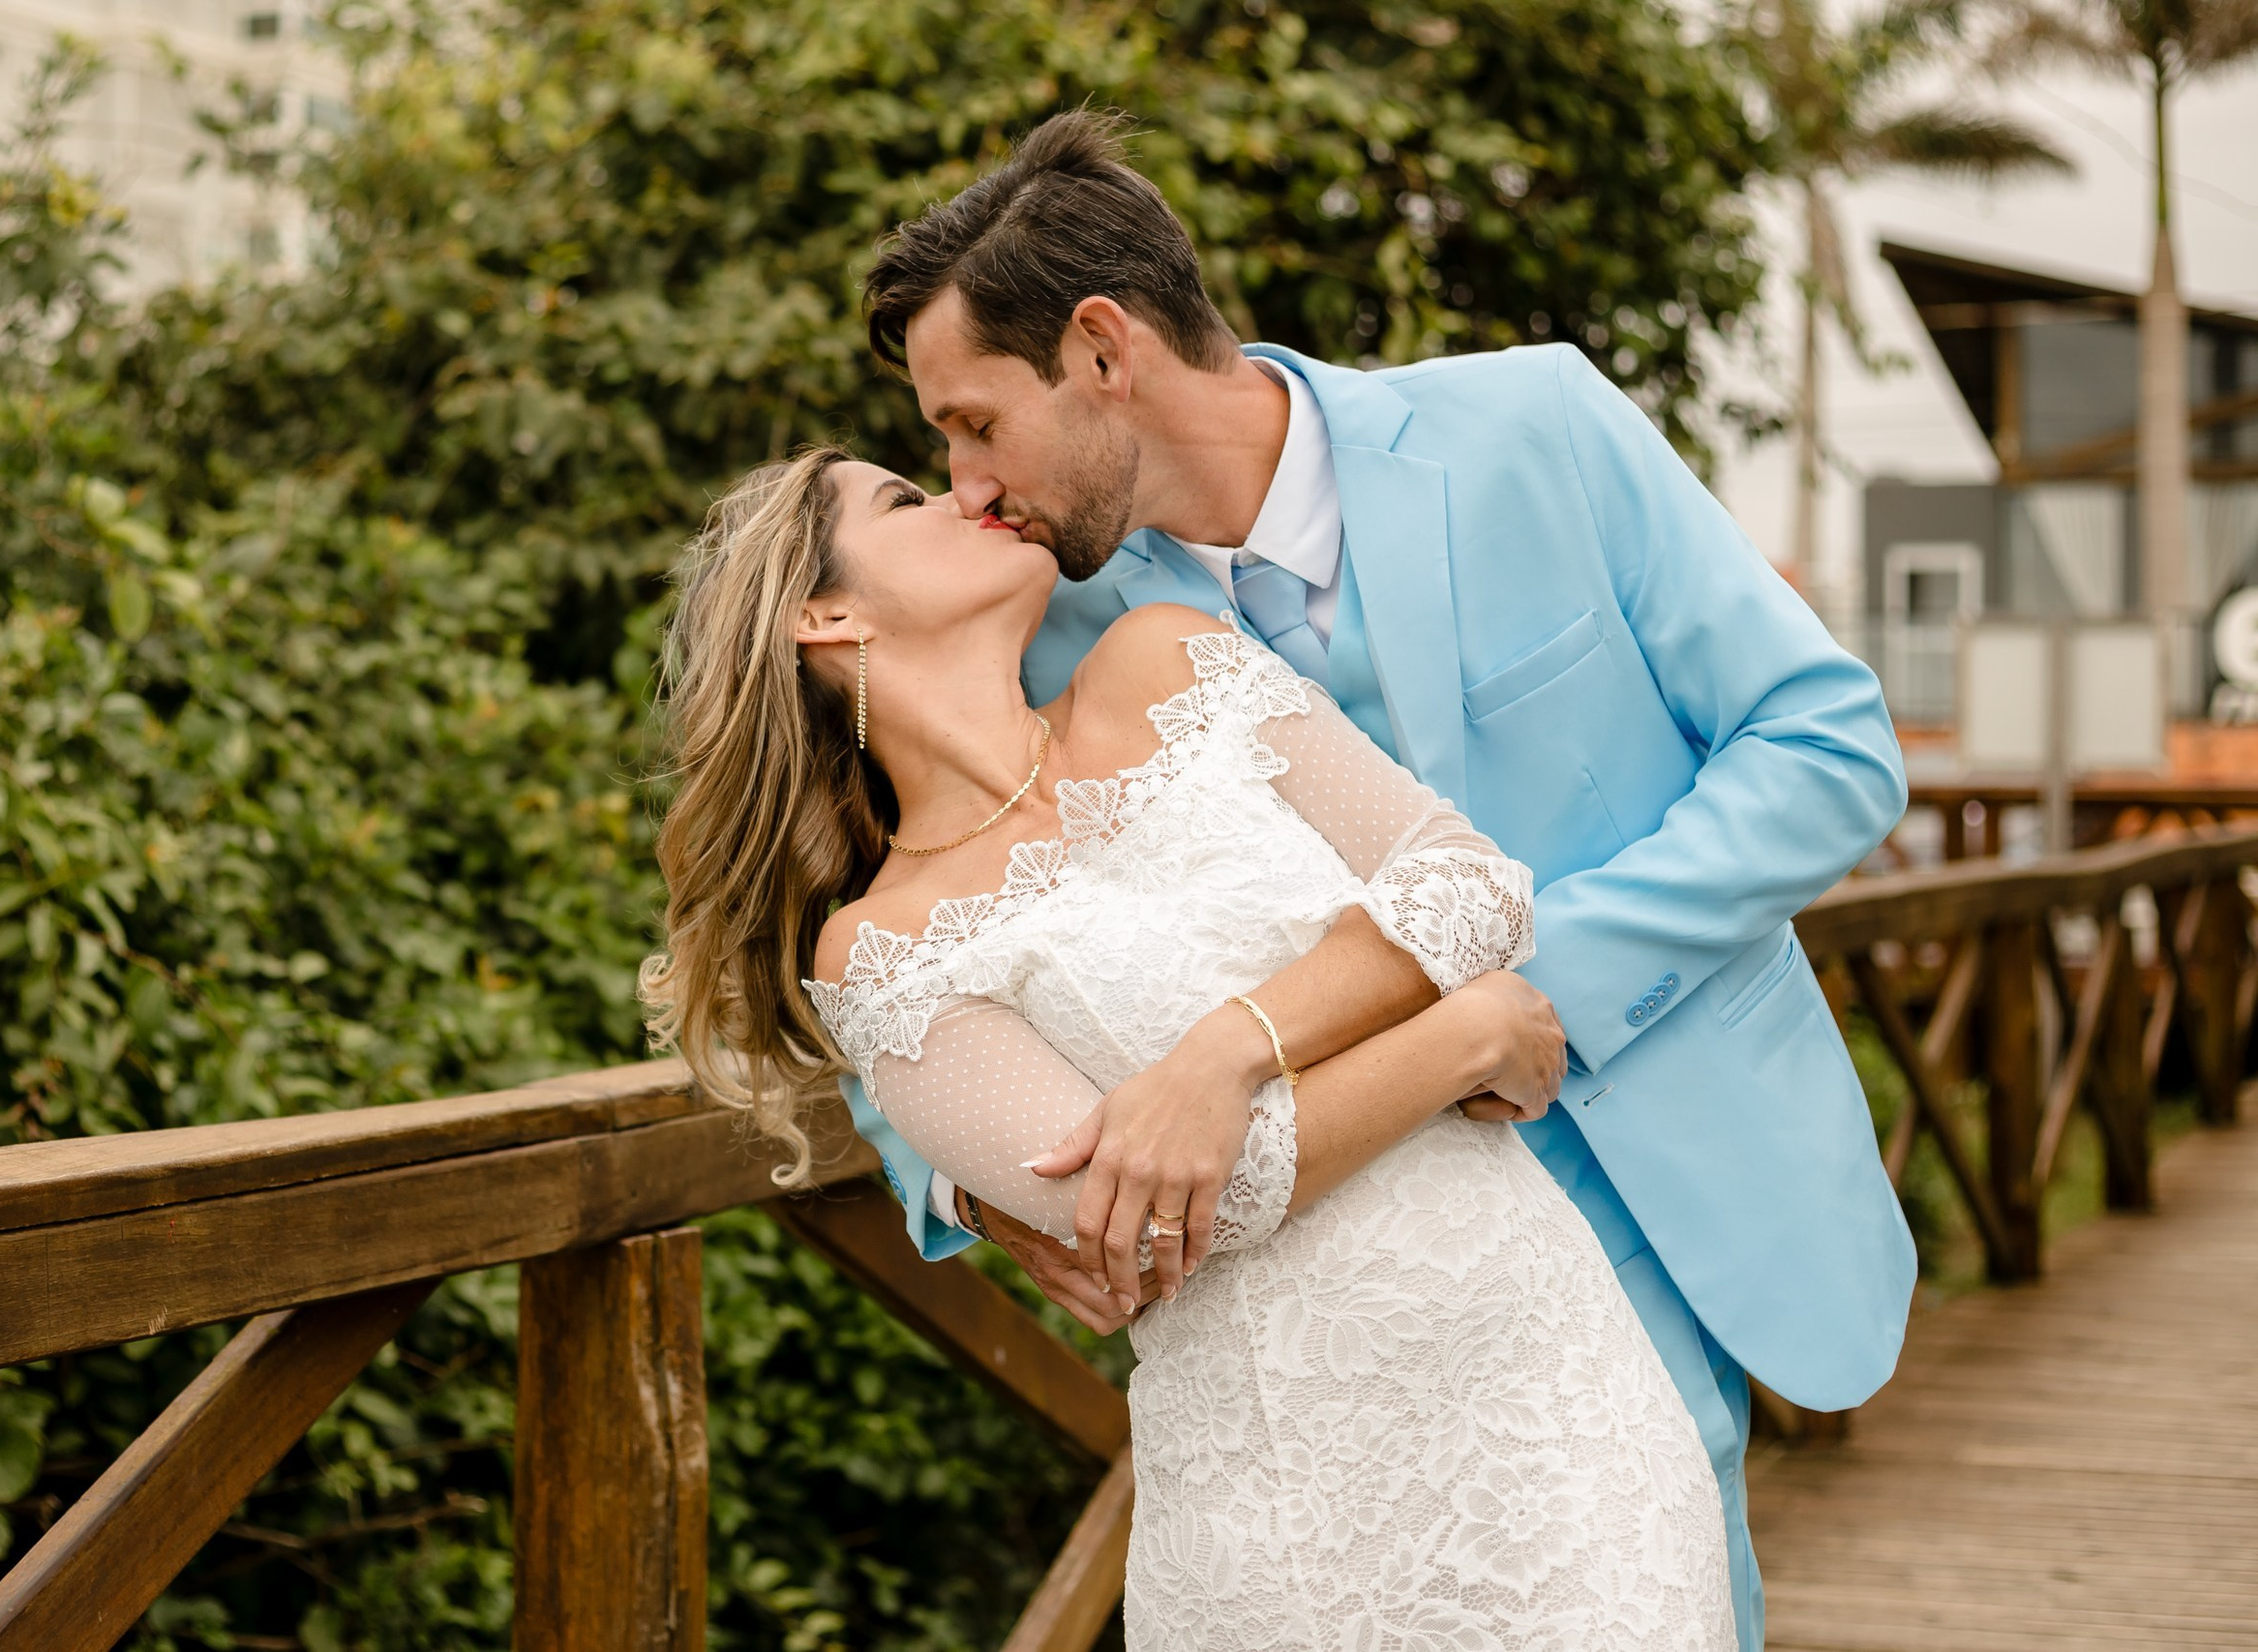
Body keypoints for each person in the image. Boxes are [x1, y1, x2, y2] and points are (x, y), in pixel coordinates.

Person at [834, 110, 1918, 1651]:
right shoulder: (1050, 619)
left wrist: (1523, 992)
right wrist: (982, 1187)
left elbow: (1824, 744)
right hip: (1336, 1300)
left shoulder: (1533, 425)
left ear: (1100, 350)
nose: (967, 488)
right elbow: (906, 946)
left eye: (974, 424)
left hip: (1671, 1164)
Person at [645, 441, 1740, 1647]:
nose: (966, 493)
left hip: (1556, 1394)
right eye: (903, 499)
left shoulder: (1164, 660)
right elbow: (1169, 1220)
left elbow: (1468, 890)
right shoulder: (881, 951)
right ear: (824, 615)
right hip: (1290, 1495)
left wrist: (1227, 1054)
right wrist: (1463, 1035)